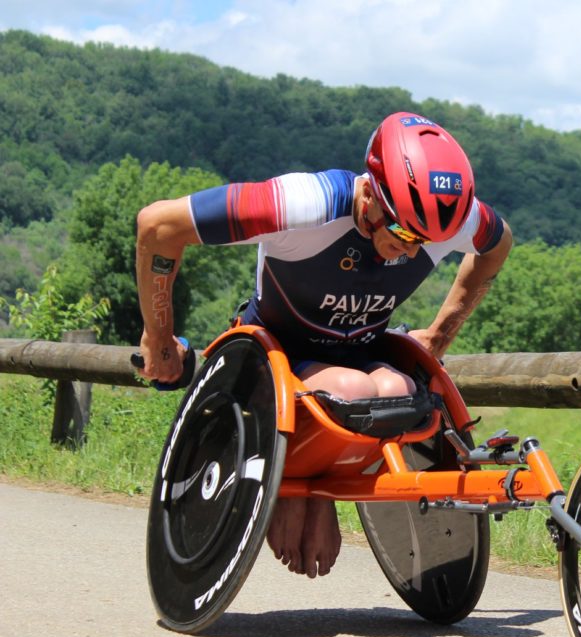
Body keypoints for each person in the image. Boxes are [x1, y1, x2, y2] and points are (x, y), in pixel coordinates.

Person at [134, 112, 512, 579]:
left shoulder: (443, 218)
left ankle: (317, 487)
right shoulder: (300, 203)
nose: (413, 252)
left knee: (398, 391)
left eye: (429, 241)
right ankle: (295, 488)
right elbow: (157, 225)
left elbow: (498, 244)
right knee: (352, 389)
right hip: (275, 354)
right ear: (371, 192)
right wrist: (158, 336)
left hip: (358, 352)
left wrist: (438, 336)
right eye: (403, 234)